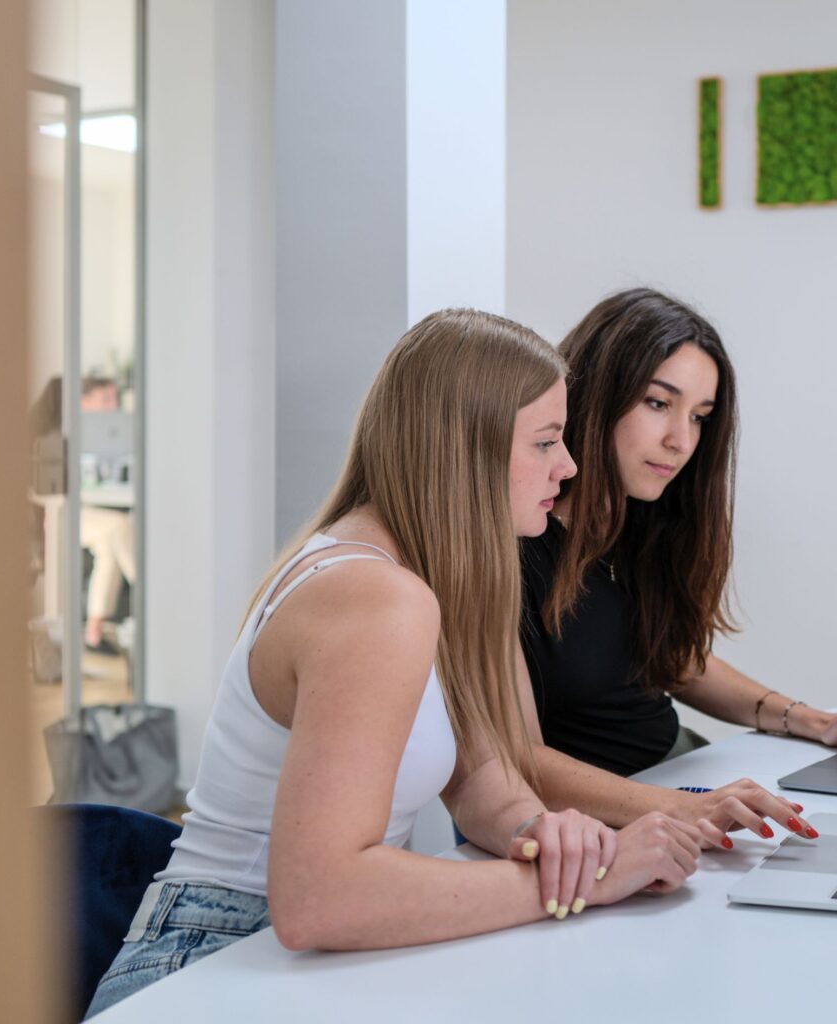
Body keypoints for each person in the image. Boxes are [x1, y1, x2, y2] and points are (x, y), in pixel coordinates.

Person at [85, 310, 701, 1018]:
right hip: (211, 963)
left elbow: (483, 787)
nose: (567, 466)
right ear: (463, 450)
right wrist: (585, 880)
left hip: (288, 960)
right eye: (546, 441)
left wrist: (546, 835)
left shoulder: (434, 578)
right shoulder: (376, 597)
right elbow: (318, 898)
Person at [518, 289, 837, 847]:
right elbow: (512, 761)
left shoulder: (637, 523)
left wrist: (819, 722)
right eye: (658, 403)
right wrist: (690, 808)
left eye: (699, 417)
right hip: (614, 818)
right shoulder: (517, 543)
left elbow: (670, 658)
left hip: (676, 777)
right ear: (593, 392)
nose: (681, 441)